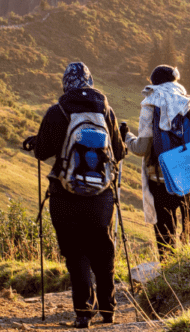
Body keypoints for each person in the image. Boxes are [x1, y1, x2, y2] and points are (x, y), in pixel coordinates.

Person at [31, 62, 125, 329]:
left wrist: (35, 142)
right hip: (101, 195)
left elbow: (42, 152)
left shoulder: (57, 111)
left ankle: (84, 313)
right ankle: (109, 309)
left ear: (66, 84)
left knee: (76, 251)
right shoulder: (106, 111)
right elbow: (118, 153)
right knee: (102, 247)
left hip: (65, 194)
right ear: (90, 81)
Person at [126, 65, 190, 259]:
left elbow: (141, 148)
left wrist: (126, 138)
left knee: (165, 238)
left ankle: (168, 278)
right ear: (175, 81)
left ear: (154, 84)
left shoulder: (149, 104)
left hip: (161, 179)